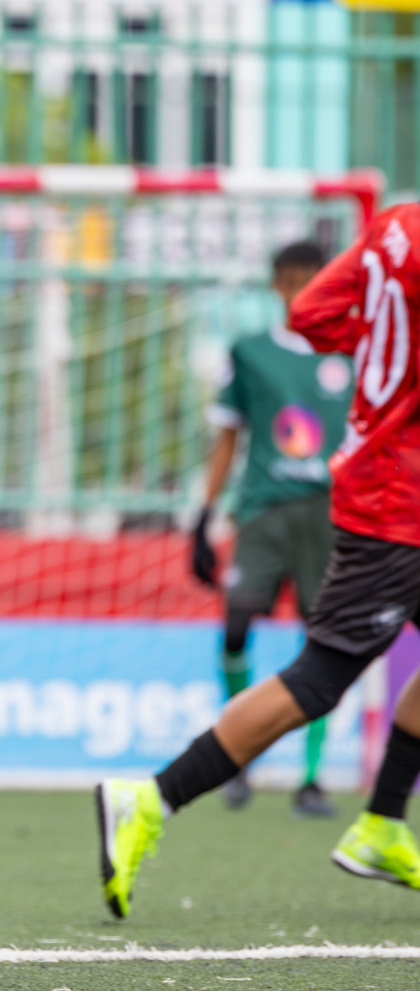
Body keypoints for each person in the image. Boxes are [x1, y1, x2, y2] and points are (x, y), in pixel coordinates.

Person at [98, 204, 420, 919]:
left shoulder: (396, 224)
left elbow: (312, 315)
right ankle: (149, 798)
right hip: (400, 500)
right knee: (321, 672)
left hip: (376, 484)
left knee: (324, 664)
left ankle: (384, 820)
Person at [190, 241, 351, 817]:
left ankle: (312, 778)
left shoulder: (351, 356)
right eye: (295, 282)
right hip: (262, 512)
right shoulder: (250, 353)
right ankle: (238, 762)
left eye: (318, 282)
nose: (306, 293)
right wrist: (205, 516)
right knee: (236, 622)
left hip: (331, 516)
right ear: (279, 286)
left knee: (326, 638)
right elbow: (228, 435)